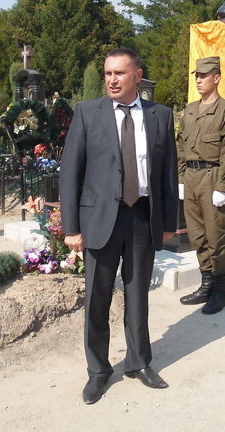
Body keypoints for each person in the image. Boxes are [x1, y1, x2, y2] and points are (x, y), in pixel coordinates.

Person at [59, 48, 178, 405]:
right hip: (100, 220)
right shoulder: (87, 113)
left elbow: (167, 174)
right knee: (97, 296)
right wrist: (70, 228)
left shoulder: (160, 116)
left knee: (138, 293)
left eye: (119, 73)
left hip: (142, 216)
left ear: (137, 75)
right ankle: (98, 370)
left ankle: (139, 362)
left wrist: (169, 222)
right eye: (108, 73)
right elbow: (70, 174)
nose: (111, 79)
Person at [177, 56, 225, 314]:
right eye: (197, 76)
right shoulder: (190, 109)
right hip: (191, 179)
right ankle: (206, 284)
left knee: (216, 238)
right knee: (197, 236)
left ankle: (221, 290)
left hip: (213, 177)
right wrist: (181, 178)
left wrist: (222, 185)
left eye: (204, 76)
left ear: (216, 78)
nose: (199, 80)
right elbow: (180, 145)